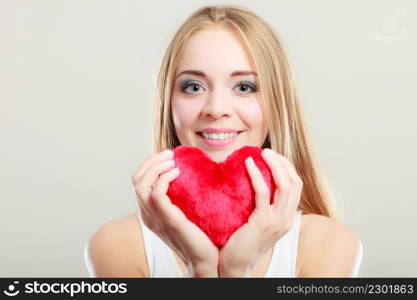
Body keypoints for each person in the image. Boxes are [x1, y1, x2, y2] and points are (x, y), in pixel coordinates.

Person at [84, 5, 363, 278]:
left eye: (244, 87)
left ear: (278, 103)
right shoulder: (117, 245)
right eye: (193, 87)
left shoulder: (328, 244)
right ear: (168, 103)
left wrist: (236, 272)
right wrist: (202, 270)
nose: (216, 109)